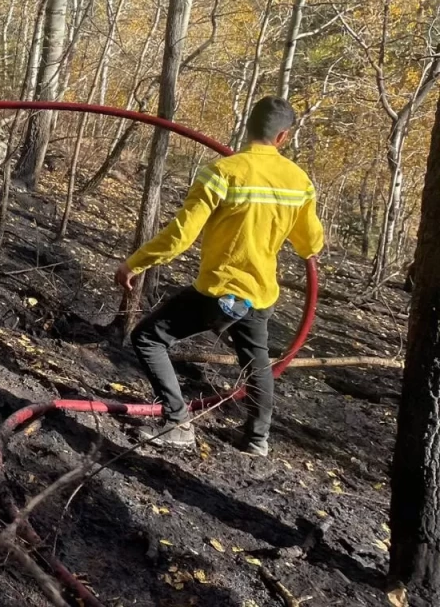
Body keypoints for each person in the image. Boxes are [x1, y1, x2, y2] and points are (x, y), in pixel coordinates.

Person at [115, 97, 324, 457]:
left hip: (218, 292)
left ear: (247, 126)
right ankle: (258, 439)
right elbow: (310, 243)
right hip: (259, 295)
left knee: (149, 337)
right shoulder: (299, 182)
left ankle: (178, 423)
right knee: (256, 363)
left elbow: (181, 235)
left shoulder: (223, 172)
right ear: (283, 137)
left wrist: (134, 262)